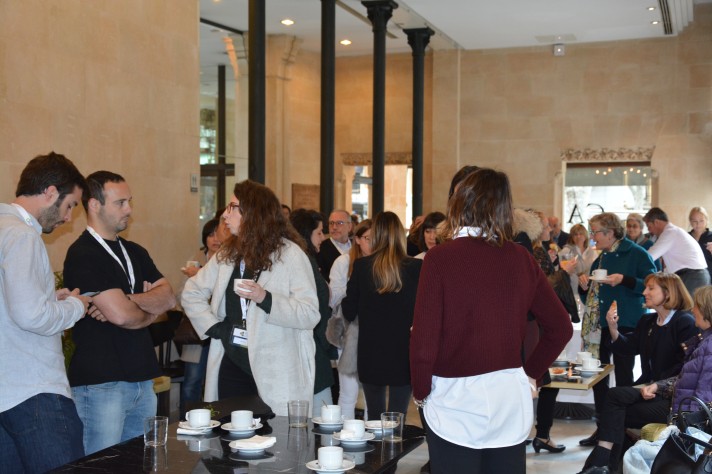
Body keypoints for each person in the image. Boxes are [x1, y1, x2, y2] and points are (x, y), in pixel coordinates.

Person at [410, 168, 572, 474]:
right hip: (508, 395)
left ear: (458, 204)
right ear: (504, 209)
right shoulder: (521, 257)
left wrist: (420, 391)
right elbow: (560, 327)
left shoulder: (439, 258)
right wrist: (530, 374)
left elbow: (423, 341)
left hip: (453, 396)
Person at [181, 180, 320, 415]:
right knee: (230, 430)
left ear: (253, 213)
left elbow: (309, 314)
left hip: (276, 366)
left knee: (273, 434)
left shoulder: (290, 255)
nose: (225, 215)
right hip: (232, 362)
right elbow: (192, 292)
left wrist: (265, 298)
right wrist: (215, 328)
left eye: (232, 207)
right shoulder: (227, 253)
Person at [63, 171, 176, 455]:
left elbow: (168, 297)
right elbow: (122, 316)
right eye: (120, 203)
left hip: (143, 378)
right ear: (94, 205)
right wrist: (148, 309)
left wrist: (127, 299)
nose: (129, 210)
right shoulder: (83, 253)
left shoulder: (135, 251)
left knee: (140, 462)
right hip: (101, 383)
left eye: (130, 202)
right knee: (101, 465)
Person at [0, 152, 93, 473]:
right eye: (70, 205)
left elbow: (10, 306)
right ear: (51, 192)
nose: (68, 218)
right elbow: (30, 316)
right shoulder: (22, 235)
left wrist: (50, 299)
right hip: (34, 391)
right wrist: (75, 306)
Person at [578, 284, 712, 474]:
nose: (644, 292)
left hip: (678, 409)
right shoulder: (700, 338)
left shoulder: (693, 331)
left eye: (651, 288)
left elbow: (702, 397)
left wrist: (683, 423)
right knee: (615, 399)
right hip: (667, 394)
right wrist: (613, 328)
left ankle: (601, 465)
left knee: (617, 411)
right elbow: (686, 379)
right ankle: (603, 466)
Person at [578, 212, 657, 447]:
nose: (593, 237)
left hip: (626, 322)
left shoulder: (636, 253)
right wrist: (584, 286)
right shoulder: (601, 258)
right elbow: (592, 293)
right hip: (599, 324)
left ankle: (622, 430)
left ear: (610, 233)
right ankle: (603, 428)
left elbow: (654, 284)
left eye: (595, 232)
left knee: (623, 377)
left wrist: (624, 280)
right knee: (598, 376)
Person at [342, 211, 422, 419]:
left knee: (375, 418)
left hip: (371, 351)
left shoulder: (362, 267)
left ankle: (377, 441)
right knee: (398, 416)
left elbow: (348, 310)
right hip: (404, 351)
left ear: (376, 235)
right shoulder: (416, 267)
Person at [289, 208, 336, 417]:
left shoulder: (306, 260)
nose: (323, 238)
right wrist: (327, 343)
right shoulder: (304, 262)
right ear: (306, 234)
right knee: (322, 416)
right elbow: (316, 310)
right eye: (319, 232)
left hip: (311, 347)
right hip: (312, 348)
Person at [328, 219, 373, 419]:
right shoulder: (344, 262)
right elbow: (333, 298)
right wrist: (355, 288)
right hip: (348, 331)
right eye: (368, 238)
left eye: (376, 238)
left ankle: (371, 432)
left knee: (373, 393)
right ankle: (345, 432)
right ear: (357, 239)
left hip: (374, 331)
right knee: (348, 392)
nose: (372, 243)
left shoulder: (381, 263)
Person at [178, 218, 222, 417]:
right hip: (196, 332)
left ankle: (214, 419)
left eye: (218, 234)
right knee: (192, 381)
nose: (215, 239)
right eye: (210, 235)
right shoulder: (194, 260)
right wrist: (195, 278)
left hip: (220, 329)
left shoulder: (227, 259)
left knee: (217, 381)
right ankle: (187, 420)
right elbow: (181, 295)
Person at [643, 207, 710, 295]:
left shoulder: (670, 233)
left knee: (685, 304)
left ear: (656, 222)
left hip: (693, 276)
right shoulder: (672, 231)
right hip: (692, 275)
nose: (649, 231)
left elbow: (649, 256)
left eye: (649, 226)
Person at [317, 209, 353, 282]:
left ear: (349, 226)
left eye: (339, 223)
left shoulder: (358, 245)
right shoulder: (320, 248)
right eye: (331, 223)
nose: (334, 227)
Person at [689, 206, 712, 283]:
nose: (698, 224)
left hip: (709, 280)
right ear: (690, 222)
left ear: (706, 220)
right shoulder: (685, 237)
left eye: (701, 221)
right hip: (689, 279)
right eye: (694, 221)